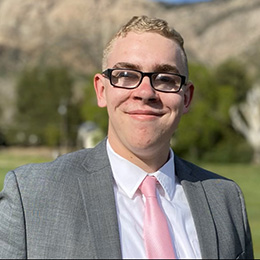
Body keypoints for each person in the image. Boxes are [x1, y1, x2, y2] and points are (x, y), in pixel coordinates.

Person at [0, 15, 253, 259]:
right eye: (127, 75)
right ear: (101, 90)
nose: (145, 92)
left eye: (165, 78)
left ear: (186, 98)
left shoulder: (226, 200)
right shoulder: (31, 195)